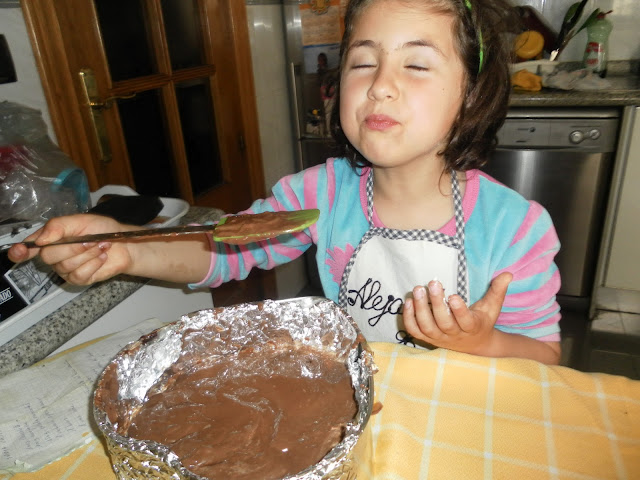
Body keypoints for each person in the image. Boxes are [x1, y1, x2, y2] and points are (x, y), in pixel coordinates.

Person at [7, 0, 562, 364]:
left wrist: (481, 340)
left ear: (471, 95)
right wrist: (123, 251)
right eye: (362, 63)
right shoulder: (319, 194)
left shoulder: (516, 230)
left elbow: (544, 358)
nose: (381, 87)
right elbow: (221, 251)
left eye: (416, 65)